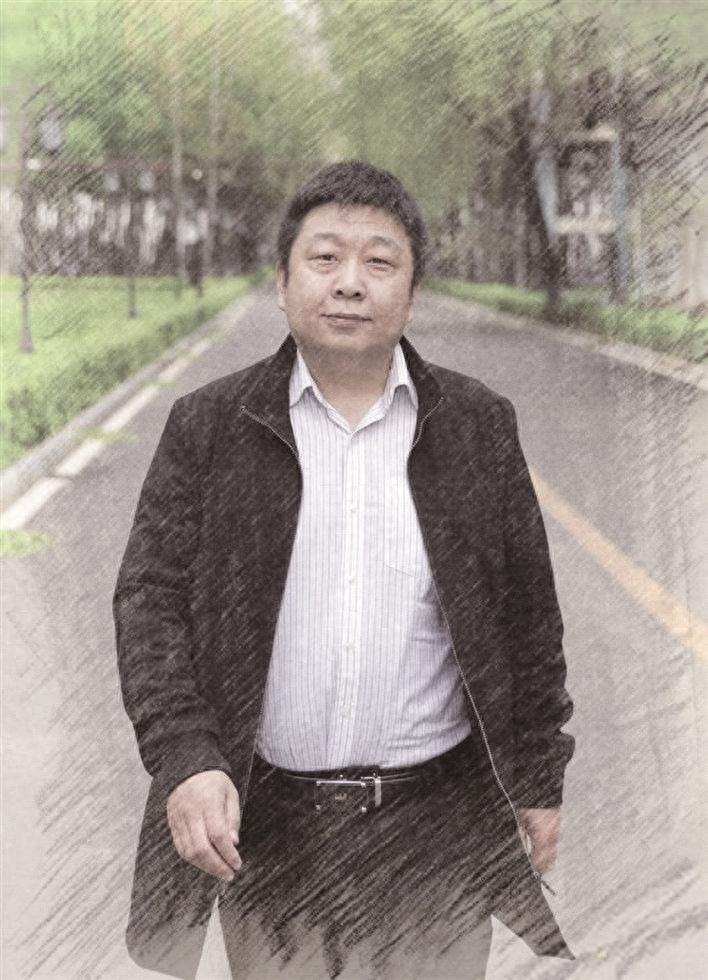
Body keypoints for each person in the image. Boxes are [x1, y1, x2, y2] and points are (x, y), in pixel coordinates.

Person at [114, 160, 575, 980]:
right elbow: (150, 603)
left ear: (412, 291)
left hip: (434, 833)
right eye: (325, 258)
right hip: (269, 831)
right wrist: (186, 757)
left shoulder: (476, 427)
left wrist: (539, 779)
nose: (350, 283)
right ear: (283, 283)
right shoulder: (209, 428)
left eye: (379, 261)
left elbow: (529, 619)